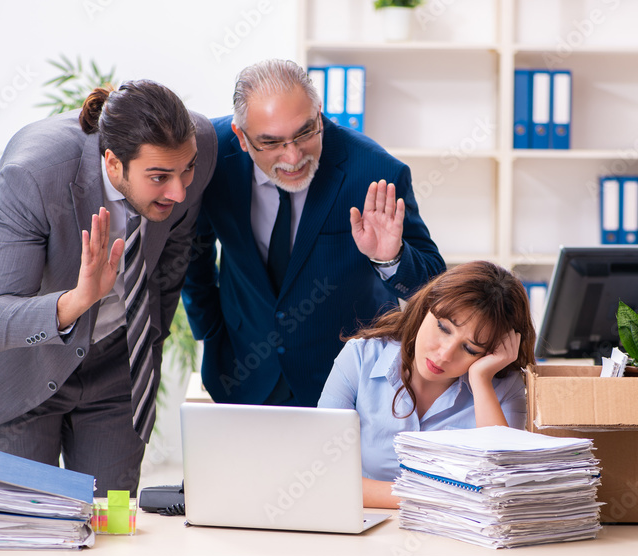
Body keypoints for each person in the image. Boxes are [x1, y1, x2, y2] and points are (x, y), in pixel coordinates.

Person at [0, 80, 217, 556]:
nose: (179, 188)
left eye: (185, 172)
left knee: (109, 555)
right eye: (160, 178)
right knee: (29, 552)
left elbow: (175, 250)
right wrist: (78, 299)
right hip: (22, 371)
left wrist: (147, 333)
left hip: (115, 371)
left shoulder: (197, 147)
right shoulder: (33, 171)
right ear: (112, 162)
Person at [181, 58, 445, 407]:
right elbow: (190, 246)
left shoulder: (375, 171)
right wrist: (209, 328)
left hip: (345, 384)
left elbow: (433, 288)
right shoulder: (210, 154)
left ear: (319, 114)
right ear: (241, 138)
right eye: (271, 143)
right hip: (241, 373)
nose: (292, 157)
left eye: (305, 132)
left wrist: (390, 257)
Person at [317, 261, 537, 508]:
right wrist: (437, 496)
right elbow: (321, 475)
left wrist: (481, 381)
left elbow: (499, 487)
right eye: (444, 328)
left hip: (459, 536)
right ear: (426, 307)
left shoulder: (504, 386)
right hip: (366, 528)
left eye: (470, 348)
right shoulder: (360, 358)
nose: (444, 355)